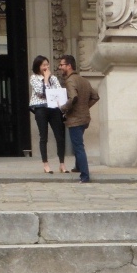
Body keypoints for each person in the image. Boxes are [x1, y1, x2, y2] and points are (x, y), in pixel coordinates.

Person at [58, 55, 99, 184]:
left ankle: (85, 175)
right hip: (85, 118)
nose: (60, 67)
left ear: (69, 66)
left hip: (75, 119)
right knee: (78, 143)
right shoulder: (83, 80)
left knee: (78, 146)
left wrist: (63, 108)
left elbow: (73, 97)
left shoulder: (70, 81)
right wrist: (85, 107)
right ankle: (78, 167)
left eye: (62, 65)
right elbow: (95, 96)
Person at [28, 55, 67, 174]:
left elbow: (58, 92)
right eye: (44, 65)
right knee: (43, 136)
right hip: (41, 108)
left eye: (47, 64)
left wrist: (49, 80)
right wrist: (45, 79)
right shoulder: (34, 78)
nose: (46, 67)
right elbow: (41, 92)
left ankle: (62, 163)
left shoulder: (53, 78)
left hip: (53, 108)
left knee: (59, 136)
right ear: (38, 66)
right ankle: (46, 164)